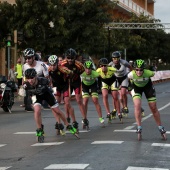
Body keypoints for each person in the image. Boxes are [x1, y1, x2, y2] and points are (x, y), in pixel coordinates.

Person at [23, 68, 79, 142]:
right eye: (28, 78)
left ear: (35, 76)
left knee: (57, 111)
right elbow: (29, 95)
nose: (30, 80)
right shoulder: (26, 85)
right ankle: (39, 129)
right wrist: (32, 102)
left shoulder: (43, 81)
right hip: (36, 95)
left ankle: (68, 125)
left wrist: (50, 90)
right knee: (37, 110)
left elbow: (51, 87)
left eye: (32, 78)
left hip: (47, 94)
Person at [128, 59, 166, 140]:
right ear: (134, 69)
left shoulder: (148, 73)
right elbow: (127, 81)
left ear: (144, 69)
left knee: (153, 107)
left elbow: (155, 74)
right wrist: (129, 88)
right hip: (136, 88)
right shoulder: (131, 74)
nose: (139, 72)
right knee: (137, 105)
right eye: (137, 70)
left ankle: (160, 127)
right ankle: (139, 127)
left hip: (147, 87)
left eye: (141, 70)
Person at [48, 55, 79, 133]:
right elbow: (47, 78)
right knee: (54, 104)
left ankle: (74, 122)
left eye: (54, 65)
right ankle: (58, 122)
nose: (52, 67)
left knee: (67, 103)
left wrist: (69, 75)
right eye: (51, 65)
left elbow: (72, 73)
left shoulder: (62, 69)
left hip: (65, 85)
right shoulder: (49, 69)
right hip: (56, 86)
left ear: (57, 63)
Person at [61, 48, 88, 129]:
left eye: (72, 58)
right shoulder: (62, 63)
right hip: (67, 82)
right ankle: (67, 117)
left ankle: (84, 118)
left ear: (75, 58)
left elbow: (83, 70)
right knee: (67, 100)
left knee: (79, 100)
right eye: (68, 58)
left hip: (76, 82)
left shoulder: (79, 65)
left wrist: (76, 75)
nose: (70, 60)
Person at [96, 58, 122, 123]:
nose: (103, 67)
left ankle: (119, 112)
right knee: (105, 95)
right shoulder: (98, 71)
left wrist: (120, 84)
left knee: (115, 96)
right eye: (102, 66)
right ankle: (108, 112)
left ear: (107, 65)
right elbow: (93, 76)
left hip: (113, 81)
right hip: (104, 82)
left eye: (105, 65)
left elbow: (119, 75)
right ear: (100, 66)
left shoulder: (112, 69)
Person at [81, 60, 105, 127]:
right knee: (85, 101)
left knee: (95, 100)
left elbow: (100, 78)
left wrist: (100, 87)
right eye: (86, 69)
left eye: (89, 69)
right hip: (85, 86)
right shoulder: (82, 73)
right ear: (84, 68)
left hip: (93, 86)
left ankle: (100, 118)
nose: (88, 70)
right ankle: (84, 118)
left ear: (91, 69)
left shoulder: (95, 73)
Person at [108, 51, 132, 117]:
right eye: (114, 58)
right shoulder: (110, 64)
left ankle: (125, 107)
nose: (115, 60)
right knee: (114, 95)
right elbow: (106, 70)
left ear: (119, 58)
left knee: (123, 92)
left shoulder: (124, 62)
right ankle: (115, 108)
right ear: (112, 59)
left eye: (117, 58)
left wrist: (131, 75)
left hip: (124, 78)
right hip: (116, 79)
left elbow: (130, 67)